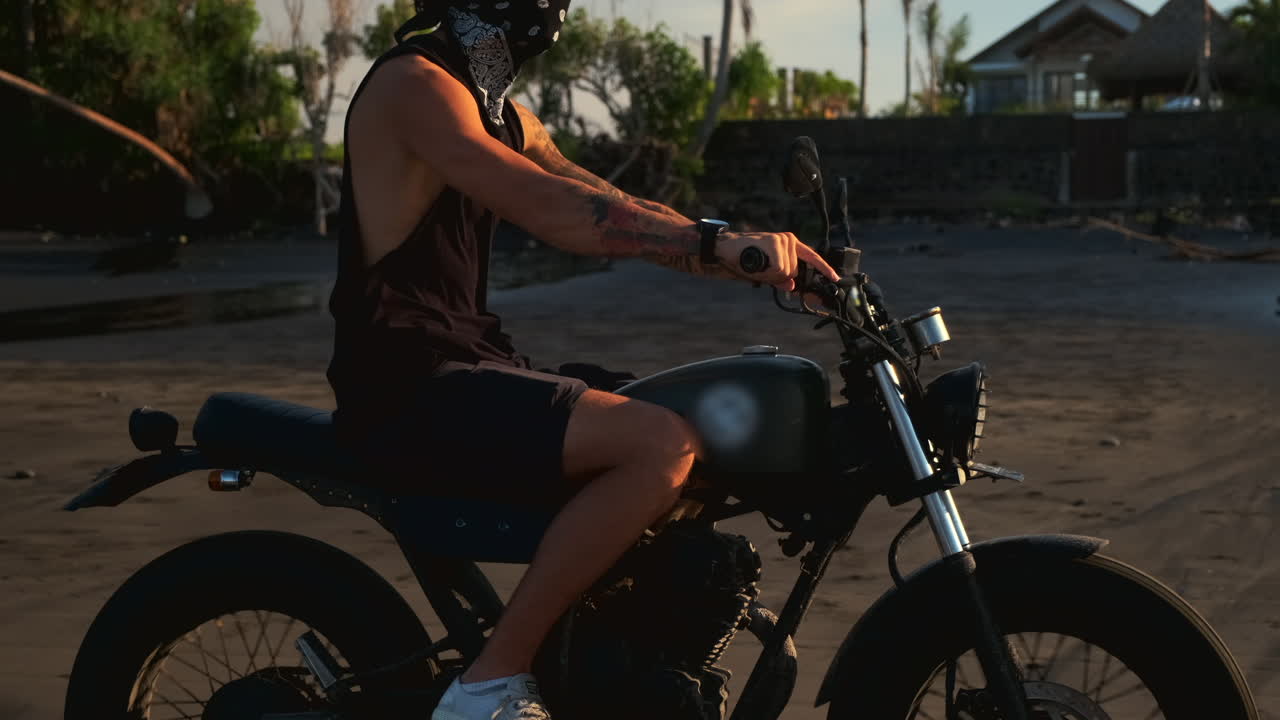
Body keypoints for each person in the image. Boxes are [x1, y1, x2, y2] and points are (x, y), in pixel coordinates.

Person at [325, 2, 838, 719]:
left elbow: (604, 198)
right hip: (410, 379)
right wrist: (715, 244)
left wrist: (746, 259)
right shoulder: (416, 84)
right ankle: (490, 683)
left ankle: (615, 658)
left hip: (474, 357)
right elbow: (555, 209)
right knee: (659, 444)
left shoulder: (499, 109)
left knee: (696, 425)